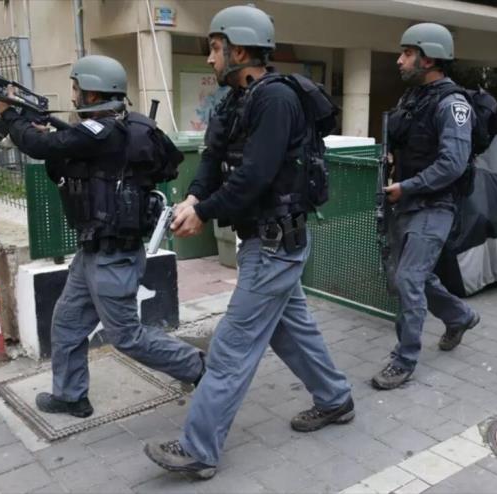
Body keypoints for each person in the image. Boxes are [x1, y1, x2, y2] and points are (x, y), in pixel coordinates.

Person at [143, 5, 353, 480]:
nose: (211, 59)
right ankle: (335, 398)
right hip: (262, 242)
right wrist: (195, 196)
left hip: (276, 243)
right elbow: (214, 159)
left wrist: (204, 210)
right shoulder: (234, 101)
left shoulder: (276, 100)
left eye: (216, 49)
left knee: (232, 347)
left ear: (239, 50)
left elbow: (256, 175)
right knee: (290, 329)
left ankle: (199, 449)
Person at [0, 55, 205, 418]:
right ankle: (71, 395)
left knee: (126, 336)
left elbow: (44, 148)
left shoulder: (104, 130)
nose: (72, 94)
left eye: (76, 88)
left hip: (114, 256)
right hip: (94, 252)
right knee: (67, 322)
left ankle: (200, 368)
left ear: (92, 93)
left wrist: (9, 114)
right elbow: (65, 154)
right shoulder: (104, 131)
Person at [372, 23, 481, 391]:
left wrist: (408, 187)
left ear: (429, 57)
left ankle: (404, 359)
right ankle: (460, 315)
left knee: (408, 279)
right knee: (404, 276)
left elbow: (453, 164)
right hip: (405, 202)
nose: (399, 60)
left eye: (407, 53)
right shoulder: (413, 98)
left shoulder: (453, 105)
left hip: (434, 205)